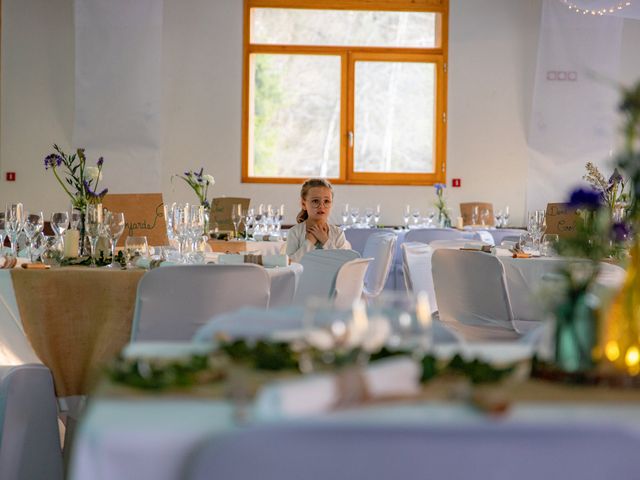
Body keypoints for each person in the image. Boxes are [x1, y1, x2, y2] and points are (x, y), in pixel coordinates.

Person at [286, 178, 351, 263]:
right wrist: (309, 242)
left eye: (326, 201)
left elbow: (343, 263)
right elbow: (290, 263)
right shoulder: (294, 232)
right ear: (303, 204)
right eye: (315, 201)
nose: (321, 206)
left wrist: (325, 240)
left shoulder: (338, 233)